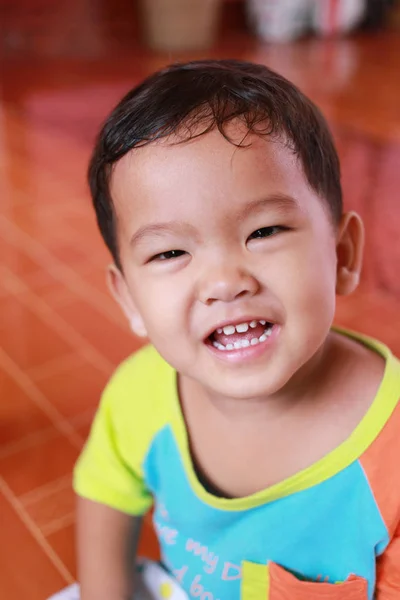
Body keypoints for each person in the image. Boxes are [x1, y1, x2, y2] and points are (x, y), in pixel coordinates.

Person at [73, 59, 400, 600]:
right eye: (171, 251)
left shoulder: (391, 451)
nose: (225, 282)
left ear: (342, 254)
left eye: (264, 230)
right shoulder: (141, 393)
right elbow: (104, 494)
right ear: (129, 298)